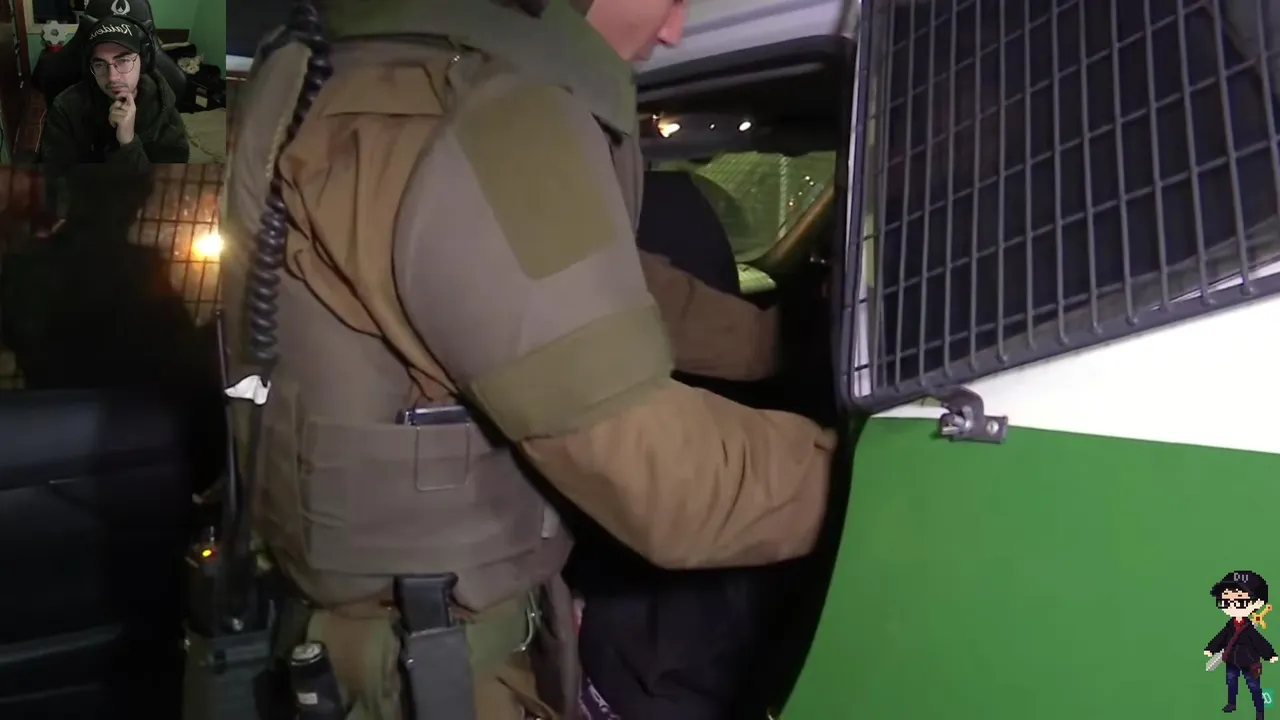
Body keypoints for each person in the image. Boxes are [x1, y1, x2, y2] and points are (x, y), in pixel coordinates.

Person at [221, 0, 836, 717]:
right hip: (432, 669)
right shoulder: (479, 116)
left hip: (388, 639)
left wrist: (778, 345)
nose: (674, 27)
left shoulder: (382, 74)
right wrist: (876, 471)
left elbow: (602, 289)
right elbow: (666, 481)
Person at [40, 15, 189, 168]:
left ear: (143, 61)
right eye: (100, 64)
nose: (112, 77)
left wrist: (128, 143)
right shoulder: (66, 107)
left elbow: (169, 178)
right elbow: (56, 176)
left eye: (123, 61)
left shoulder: (162, 105)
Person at [1204, 571, 1279, 719]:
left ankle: (1260, 711)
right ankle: (1231, 704)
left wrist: (1270, 655)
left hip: (1250, 662)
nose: (1232, 606)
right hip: (1231, 660)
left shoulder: (1250, 628)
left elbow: (1259, 641)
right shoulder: (1230, 625)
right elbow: (1221, 637)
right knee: (1231, 683)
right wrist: (1211, 648)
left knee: (1254, 687)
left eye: (1241, 601)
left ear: (1258, 603)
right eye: (1226, 601)